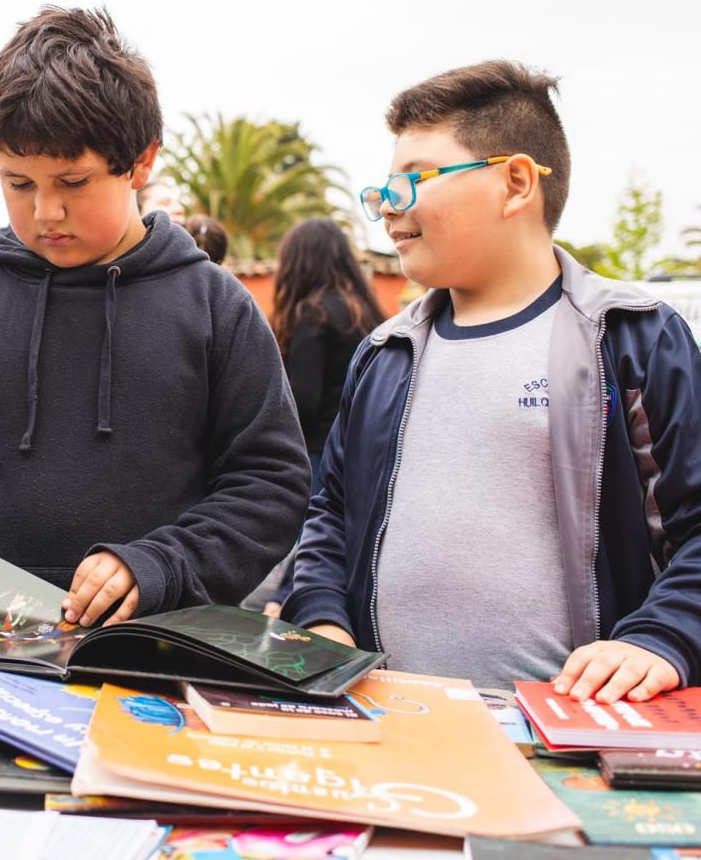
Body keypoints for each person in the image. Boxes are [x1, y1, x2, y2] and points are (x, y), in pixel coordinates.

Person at [0, 7, 310, 633]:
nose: (45, 211)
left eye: (73, 181)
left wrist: (158, 565)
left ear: (140, 162)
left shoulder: (217, 308)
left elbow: (268, 485)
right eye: (18, 183)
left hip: (151, 651)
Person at [281, 60, 701, 702]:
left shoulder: (631, 339)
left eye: (415, 180)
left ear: (515, 184)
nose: (387, 210)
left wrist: (661, 637)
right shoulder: (384, 353)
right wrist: (320, 616)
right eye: (383, 189)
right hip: (385, 718)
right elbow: (329, 515)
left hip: (566, 739)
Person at [244, 217, 384, 615]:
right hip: (361, 451)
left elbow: (299, 399)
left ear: (300, 263)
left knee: (308, 544)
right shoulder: (366, 315)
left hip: (317, 451)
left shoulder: (313, 313)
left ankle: (281, 606)